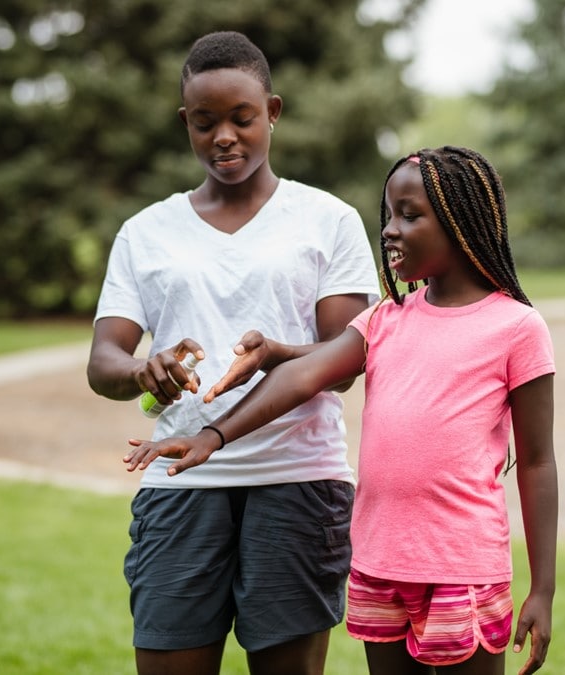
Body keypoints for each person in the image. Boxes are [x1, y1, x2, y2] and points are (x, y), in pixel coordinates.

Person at [125, 146, 559, 675]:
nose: (389, 230)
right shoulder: (386, 319)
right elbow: (304, 374)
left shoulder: (516, 328)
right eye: (389, 215)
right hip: (381, 567)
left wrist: (543, 589)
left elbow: (537, 464)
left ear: (460, 222)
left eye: (409, 215)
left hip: (463, 569)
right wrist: (211, 436)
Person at [86, 30, 380, 675]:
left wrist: (277, 352)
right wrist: (141, 368)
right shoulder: (146, 232)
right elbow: (103, 361)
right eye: (204, 121)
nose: (224, 136)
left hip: (298, 480)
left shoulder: (326, 220)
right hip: (182, 481)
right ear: (184, 122)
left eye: (242, 118)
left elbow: (349, 357)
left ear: (272, 112)